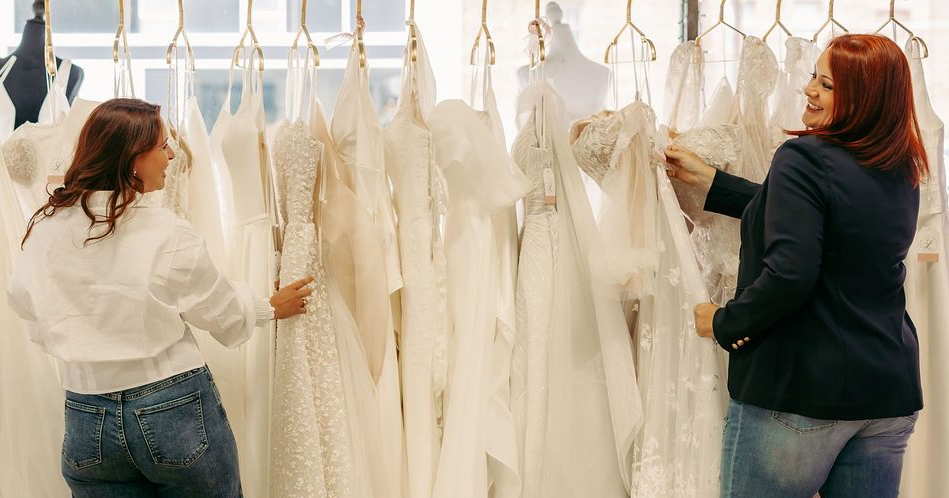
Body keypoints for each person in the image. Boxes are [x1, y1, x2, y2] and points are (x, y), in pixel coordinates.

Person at [6, 98, 311, 497]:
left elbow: (26, 304)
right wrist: (265, 308)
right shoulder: (165, 232)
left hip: (86, 412)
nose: (171, 155)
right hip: (170, 405)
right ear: (134, 157)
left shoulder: (47, 228)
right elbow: (220, 311)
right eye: (163, 146)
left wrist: (87, 341)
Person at [664, 34, 926, 498]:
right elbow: (828, 224)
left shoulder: (804, 158)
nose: (808, 91)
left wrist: (725, 322)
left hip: (801, 392)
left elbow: (791, 272)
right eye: (813, 78)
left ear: (862, 101)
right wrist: (715, 183)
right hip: (887, 394)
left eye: (826, 85)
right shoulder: (900, 165)